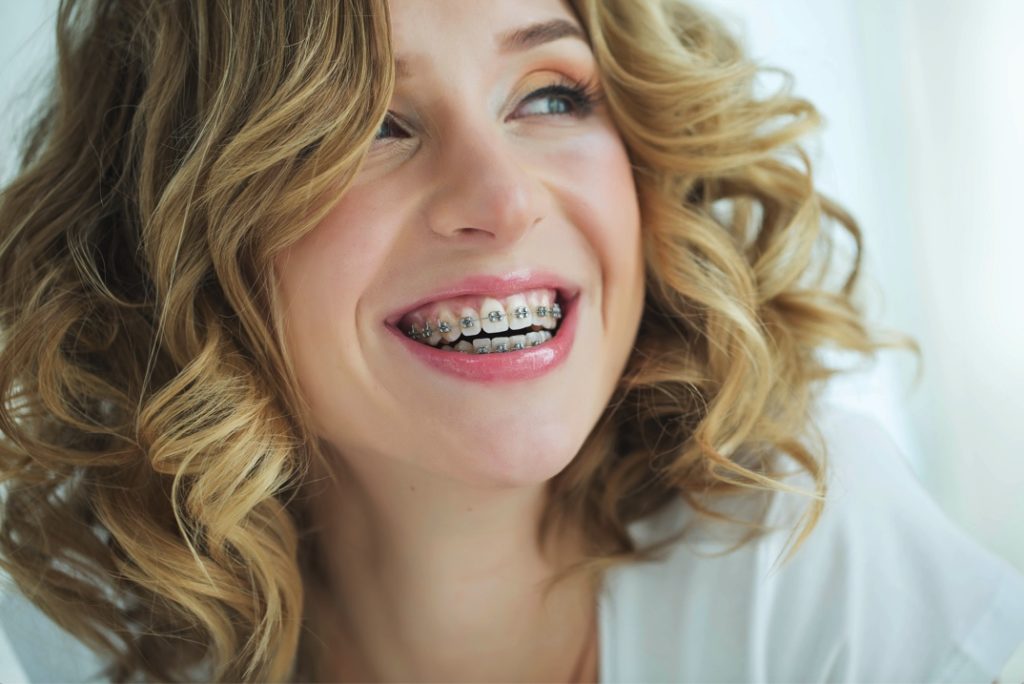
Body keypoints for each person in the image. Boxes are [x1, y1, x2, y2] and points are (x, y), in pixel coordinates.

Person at [0, 0, 1022, 682]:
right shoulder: (83, 629)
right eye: (369, 128)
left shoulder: (807, 556)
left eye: (550, 95)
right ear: (173, 229)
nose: (501, 198)